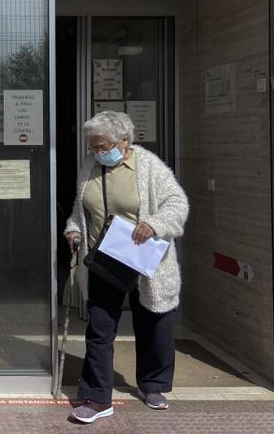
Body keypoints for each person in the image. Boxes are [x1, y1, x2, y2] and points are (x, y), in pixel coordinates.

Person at [64, 111, 189, 424]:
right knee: (99, 329)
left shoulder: (148, 166)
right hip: (103, 260)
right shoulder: (90, 165)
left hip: (143, 260)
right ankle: (96, 397)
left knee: (154, 324)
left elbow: (177, 203)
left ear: (124, 140)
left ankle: (153, 385)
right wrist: (74, 229)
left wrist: (155, 224)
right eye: (92, 146)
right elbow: (81, 209)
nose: (96, 152)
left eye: (102, 145)